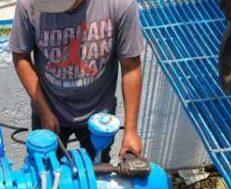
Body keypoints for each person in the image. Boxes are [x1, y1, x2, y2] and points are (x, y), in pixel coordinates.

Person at [10, 0, 145, 162]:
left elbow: (131, 67)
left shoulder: (120, 4)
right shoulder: (29, 4)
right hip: (48, 110)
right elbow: (21, 57)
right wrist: (45, 112)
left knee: (98, 172)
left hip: (99, 119)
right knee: (46, 172)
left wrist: (131, 132)